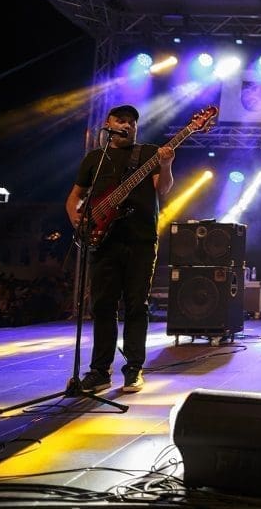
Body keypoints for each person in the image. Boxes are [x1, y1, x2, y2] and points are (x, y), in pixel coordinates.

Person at [65, 104, 175, 393]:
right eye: (121, 120)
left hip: (140, 241)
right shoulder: (95, 158)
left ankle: (134, 369)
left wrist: (166, 165)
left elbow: (163, 189)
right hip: (104, 242)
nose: (127, 125)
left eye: (132, 122)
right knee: (102, 306)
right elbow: (75, 197)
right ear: (109, 124)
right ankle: (100, 371)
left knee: (137, 306)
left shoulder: (148, 153)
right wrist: (77, 220)